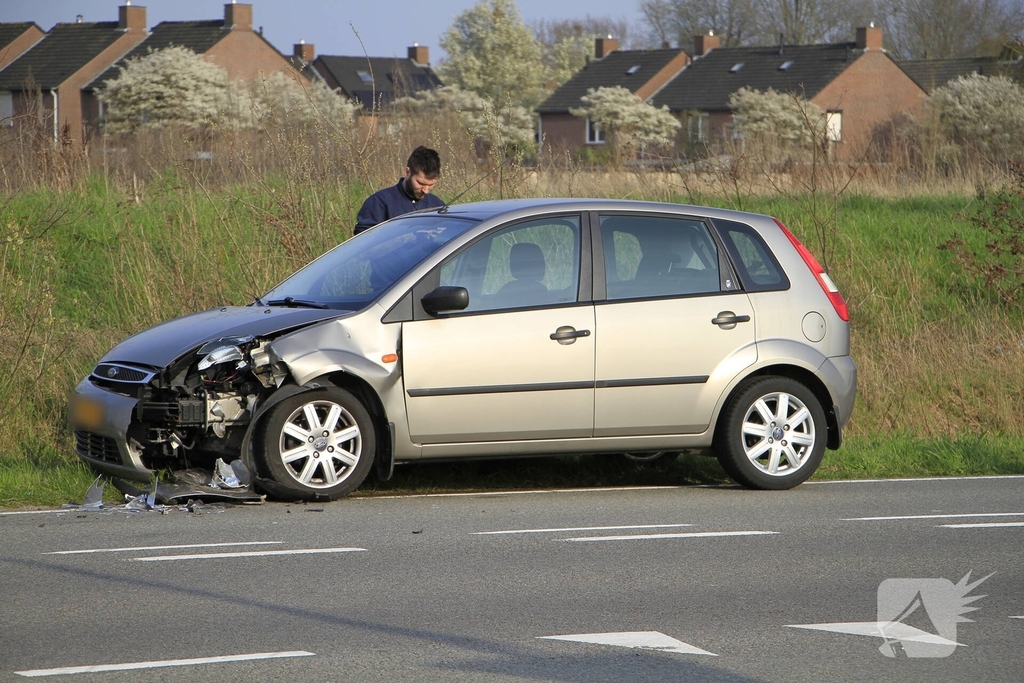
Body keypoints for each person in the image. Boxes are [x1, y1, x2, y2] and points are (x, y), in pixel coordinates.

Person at [354, 146, 444, 234]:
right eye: (421, 183)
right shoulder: (379, 202)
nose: (426, 190)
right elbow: (363, 241)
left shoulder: (437, 206)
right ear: (407, 172)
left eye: (431, 185)